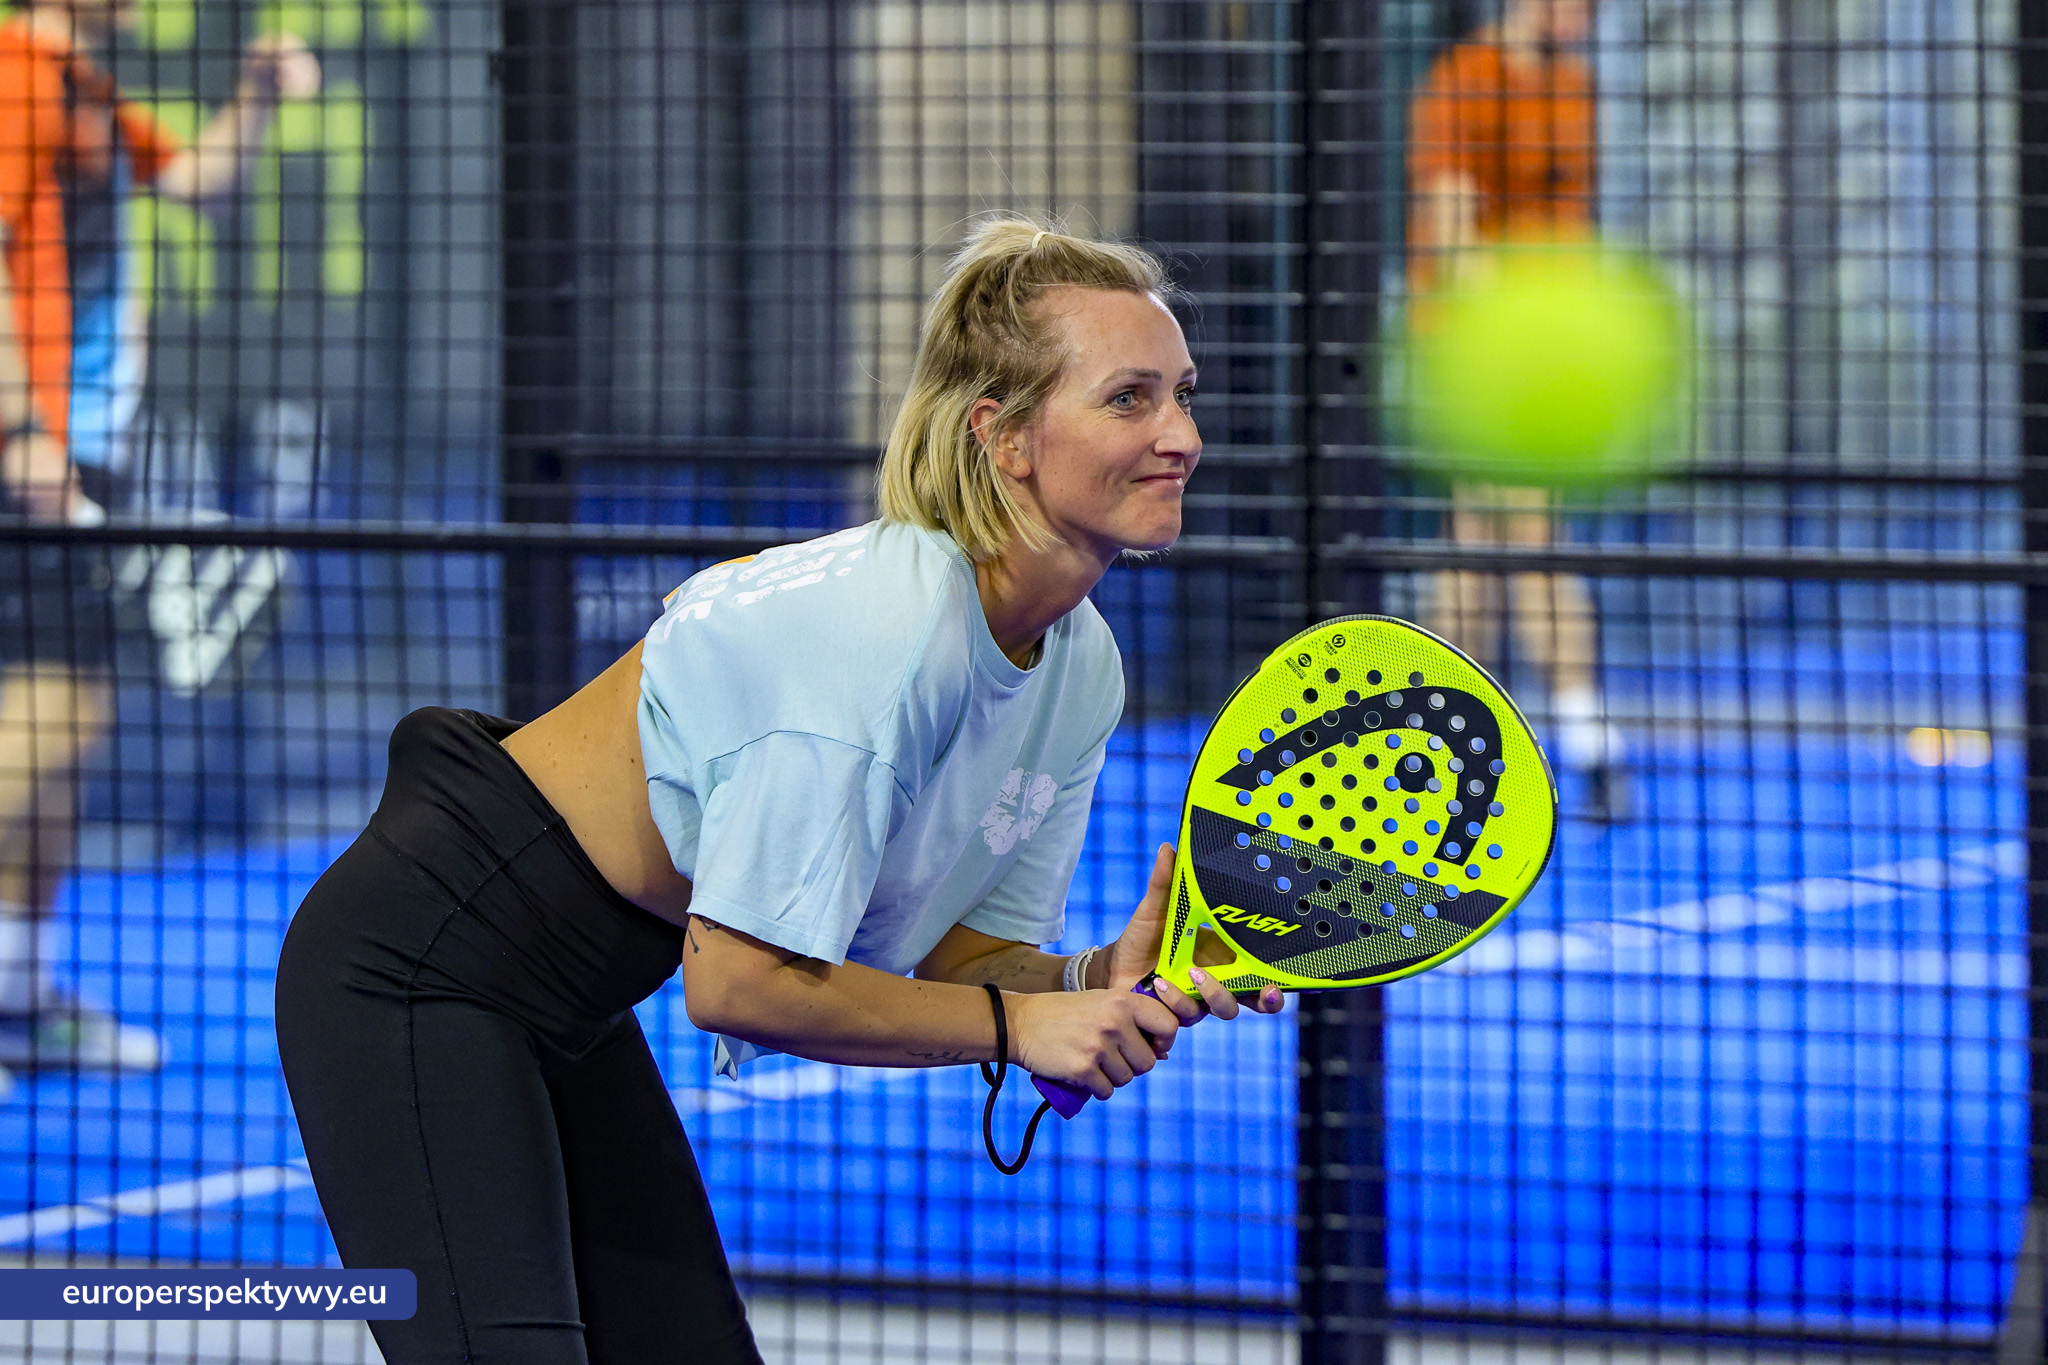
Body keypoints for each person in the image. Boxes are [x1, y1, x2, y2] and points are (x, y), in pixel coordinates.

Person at [275, 219, 1286, 1363]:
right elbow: (739, 982)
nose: (1180, 436)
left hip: (571, 997)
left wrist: (1085, 982)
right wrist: (1024, 1025)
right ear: (1002, 437)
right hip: (420, 966)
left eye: (1181, 395)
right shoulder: (885, 632)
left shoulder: (1080, 661)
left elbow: (955, 958)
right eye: (1129, 399)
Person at [0, 0, 319, 1074]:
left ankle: (16, 996)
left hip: (82, 451)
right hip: (33, 450)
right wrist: (19, 429)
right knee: (47, 714)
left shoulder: (84, 87)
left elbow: (198, 185)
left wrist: (256, 98)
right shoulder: (15, 75)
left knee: (74, 714)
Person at [1407, 0, 1628, 811]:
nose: (1580, 16)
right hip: (1477, 348)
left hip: (1550, 351)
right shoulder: (1467, 78)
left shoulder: (1576, 88)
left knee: (1482, 543)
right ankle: (1586, 744)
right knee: (1526, 534)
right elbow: (1451, 228)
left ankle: (1437, 745)